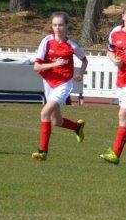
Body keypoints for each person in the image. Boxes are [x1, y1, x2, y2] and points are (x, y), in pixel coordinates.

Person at [31, 12, 88, 161]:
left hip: (64, 84)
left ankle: (42, 151)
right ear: (52, 26)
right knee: (57, 121)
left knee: (44, 113)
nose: (57, 28)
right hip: (48, 82)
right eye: (55, 25)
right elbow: (37, 67)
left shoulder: (72, 46)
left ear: (67, 26)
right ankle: (77, 127)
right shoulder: (47, 42)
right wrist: (54, 64)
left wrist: (80, 74)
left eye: (61, 25)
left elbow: (84, 61)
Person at [99, 5, 126, 164]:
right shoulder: (115, 32)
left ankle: (115, 154)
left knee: (123, 114)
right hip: (121, 81)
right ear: (123, 17)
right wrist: (113, 59)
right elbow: (110, 50)